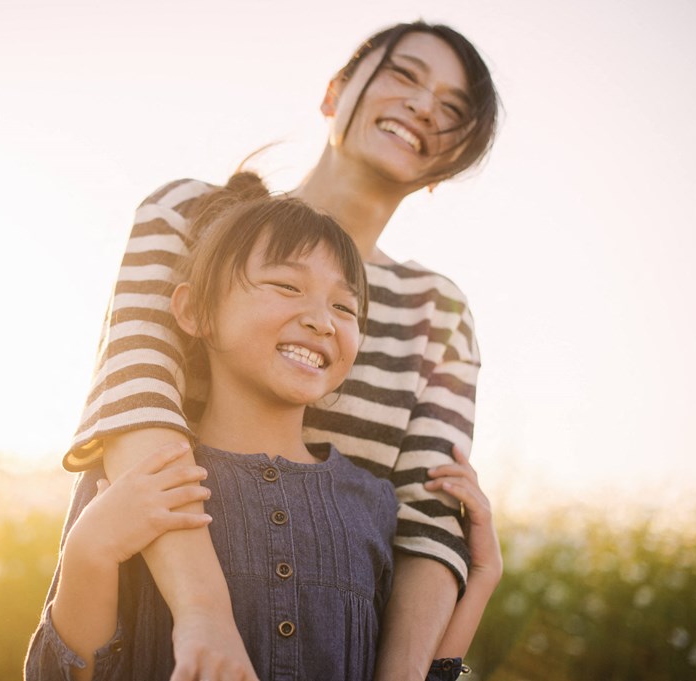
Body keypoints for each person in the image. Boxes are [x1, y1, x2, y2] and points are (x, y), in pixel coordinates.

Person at [65, 20, 500, 680]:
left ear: (449, 161)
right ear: (335, 92)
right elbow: (135, 400)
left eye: (451, 111)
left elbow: (428, 519)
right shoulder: (189, 215)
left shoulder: (439, 310)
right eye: (405, 76)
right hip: (154, 635)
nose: (423, 106)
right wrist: (203, 612)